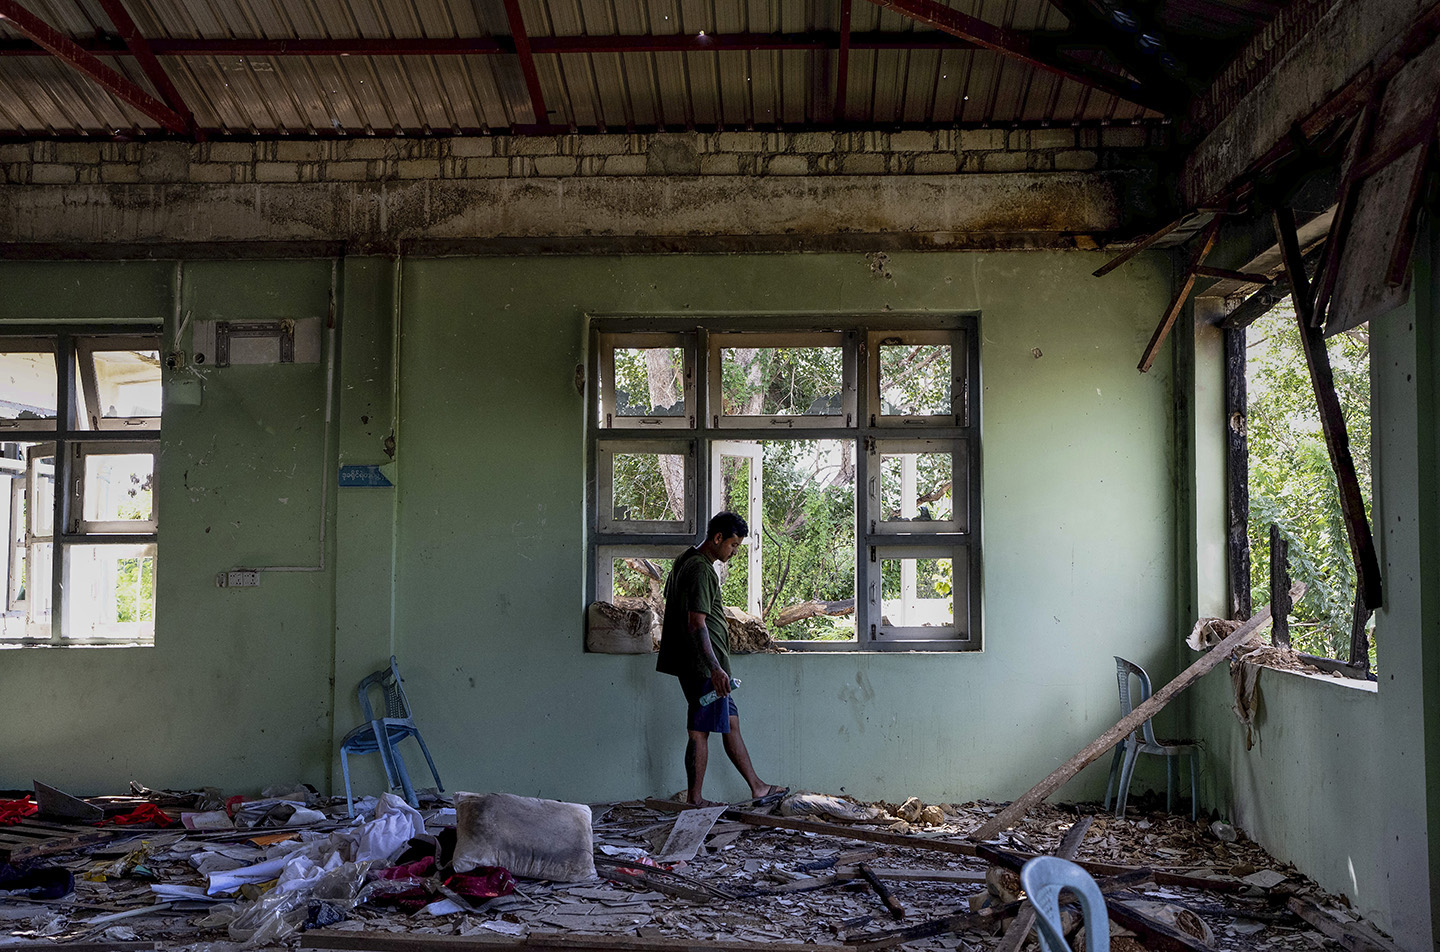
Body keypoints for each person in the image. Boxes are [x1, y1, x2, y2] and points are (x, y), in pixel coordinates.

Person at [657, 512, 786, 808]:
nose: (734, 551)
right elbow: (696, 622)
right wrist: (715, 669)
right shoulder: (701, 570)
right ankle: (696, 799)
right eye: (733, 545)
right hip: (704, 667)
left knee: (731, 722)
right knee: (699, 731)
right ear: (718, 538)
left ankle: (758, 787)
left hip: (703, 665)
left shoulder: (684, 561)